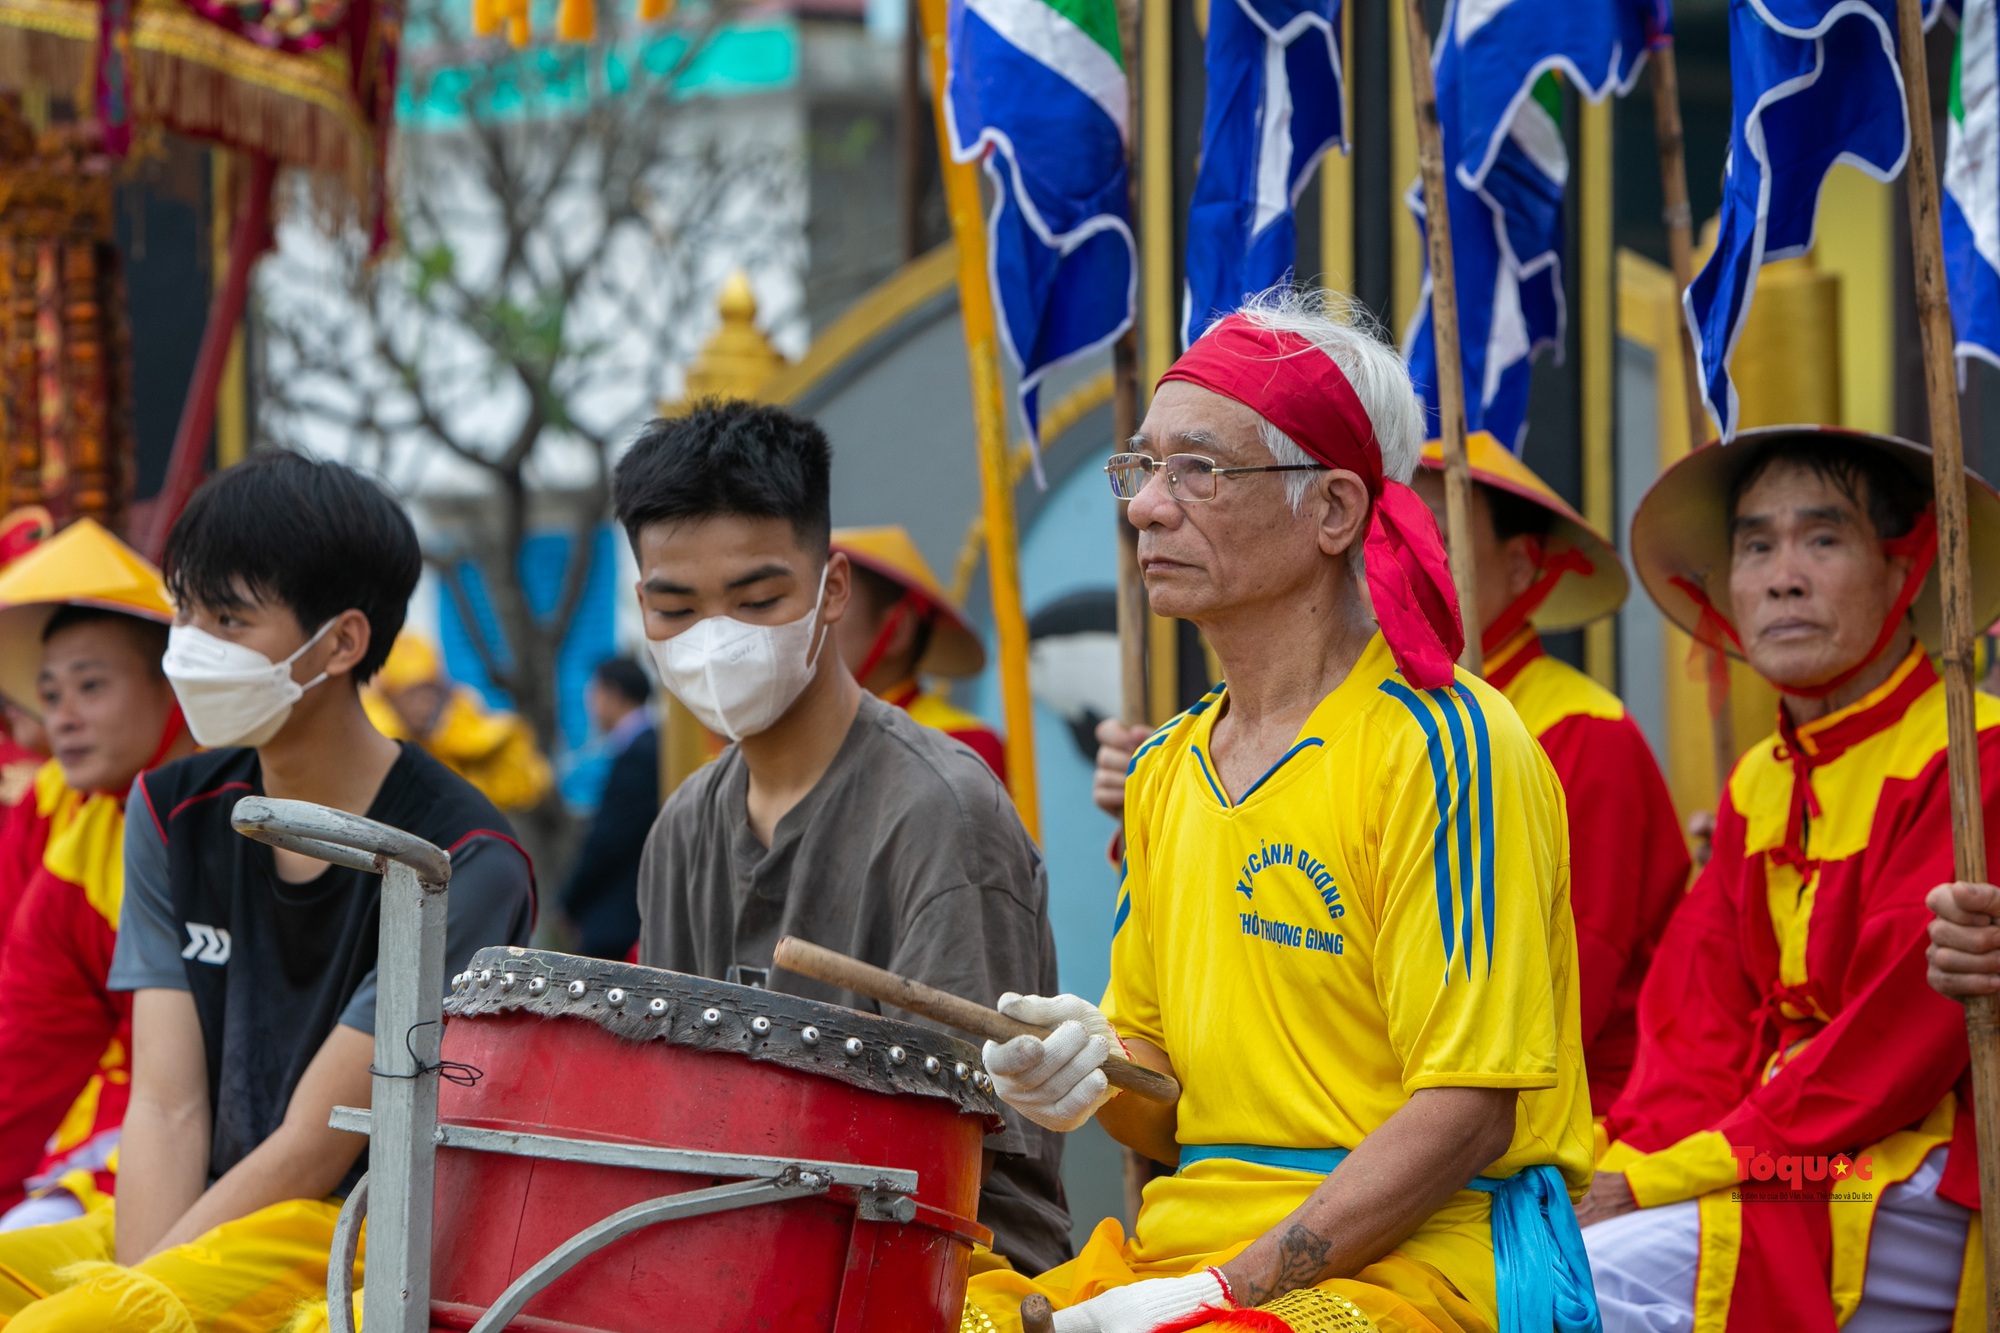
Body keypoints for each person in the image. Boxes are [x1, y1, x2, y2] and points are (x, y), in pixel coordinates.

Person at [965, 288, 1595, 1333]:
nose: (1144, 507)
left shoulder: (1446, 746)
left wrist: (1221, 1293)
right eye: (1143, 466)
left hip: (1416, 1264)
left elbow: (1468, 1114)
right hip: (1190, 1246)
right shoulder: (1167, 764)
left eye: (1196, 470)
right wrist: (1085, 1067)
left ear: (1335, 509)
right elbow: (1163, 1105)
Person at [0, 452, 536, 1331]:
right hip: (196, 1210)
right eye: (186, 613)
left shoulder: (461, 854)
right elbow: (168, 1101)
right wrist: (132, 1284)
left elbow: (313, 1143)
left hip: (351, 1230)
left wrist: (125, 1301)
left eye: (228, 619)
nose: (191, 647)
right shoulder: (171, 808)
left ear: (342, 642)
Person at [617, 400, 1072, 1275]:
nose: (717, 640)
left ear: (830, 588)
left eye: (756, 599)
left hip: (938, 1260)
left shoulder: (940, 811)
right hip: (729, 1249)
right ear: (643, 606)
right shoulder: (681, 829)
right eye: (678, 608)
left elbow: (965, 1157)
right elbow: (666, 1109)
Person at [1581, 428, 1999, 1333]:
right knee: (1533, 1262)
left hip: (1906, 1156)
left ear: (1908, 568)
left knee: (1572, 1292)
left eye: (1823, 538)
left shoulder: (1976, 755)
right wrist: (1623, 1160)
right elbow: (1695, 1029)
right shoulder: (1759, 777)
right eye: (1756, 546)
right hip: (1774, 1144)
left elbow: (1884, 1053)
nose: (1782, 576)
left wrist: (1657, 1177)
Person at [1408, 434, 1689, 1116]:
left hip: (1567, 1117)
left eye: (1434, 538)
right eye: (1389, 534)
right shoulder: (1377, 715)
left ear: (1522, 565)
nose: (1404, 560)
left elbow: (1566, 995)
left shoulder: (1585, 730)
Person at [0, 519, 192, 1226]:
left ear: (171, 679)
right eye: (49, 696)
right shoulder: (82, 841)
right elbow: (27, 1043)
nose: (65, 719)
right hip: (125, 1134)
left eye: (91, 685)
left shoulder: (256, 808)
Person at [830, 524, 1007, 779]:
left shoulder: (963, 746)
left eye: (833, 598)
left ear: (898, 630)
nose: (812, 622)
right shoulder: (799, 742)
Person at [364, 631, 554, 814]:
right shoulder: (373, 745)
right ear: (387, 698)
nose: (424, 704)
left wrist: (456, 733)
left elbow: (529, 784)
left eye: (429, 691)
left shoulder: (456, 734)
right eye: (411, 694)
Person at [559, 655, 658, 959]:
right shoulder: (648, 744)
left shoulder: (640, 753)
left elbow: (610, 840)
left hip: (621, 918)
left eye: (593, 695)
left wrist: (570, 901)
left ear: (612, 694)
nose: (590, 706)